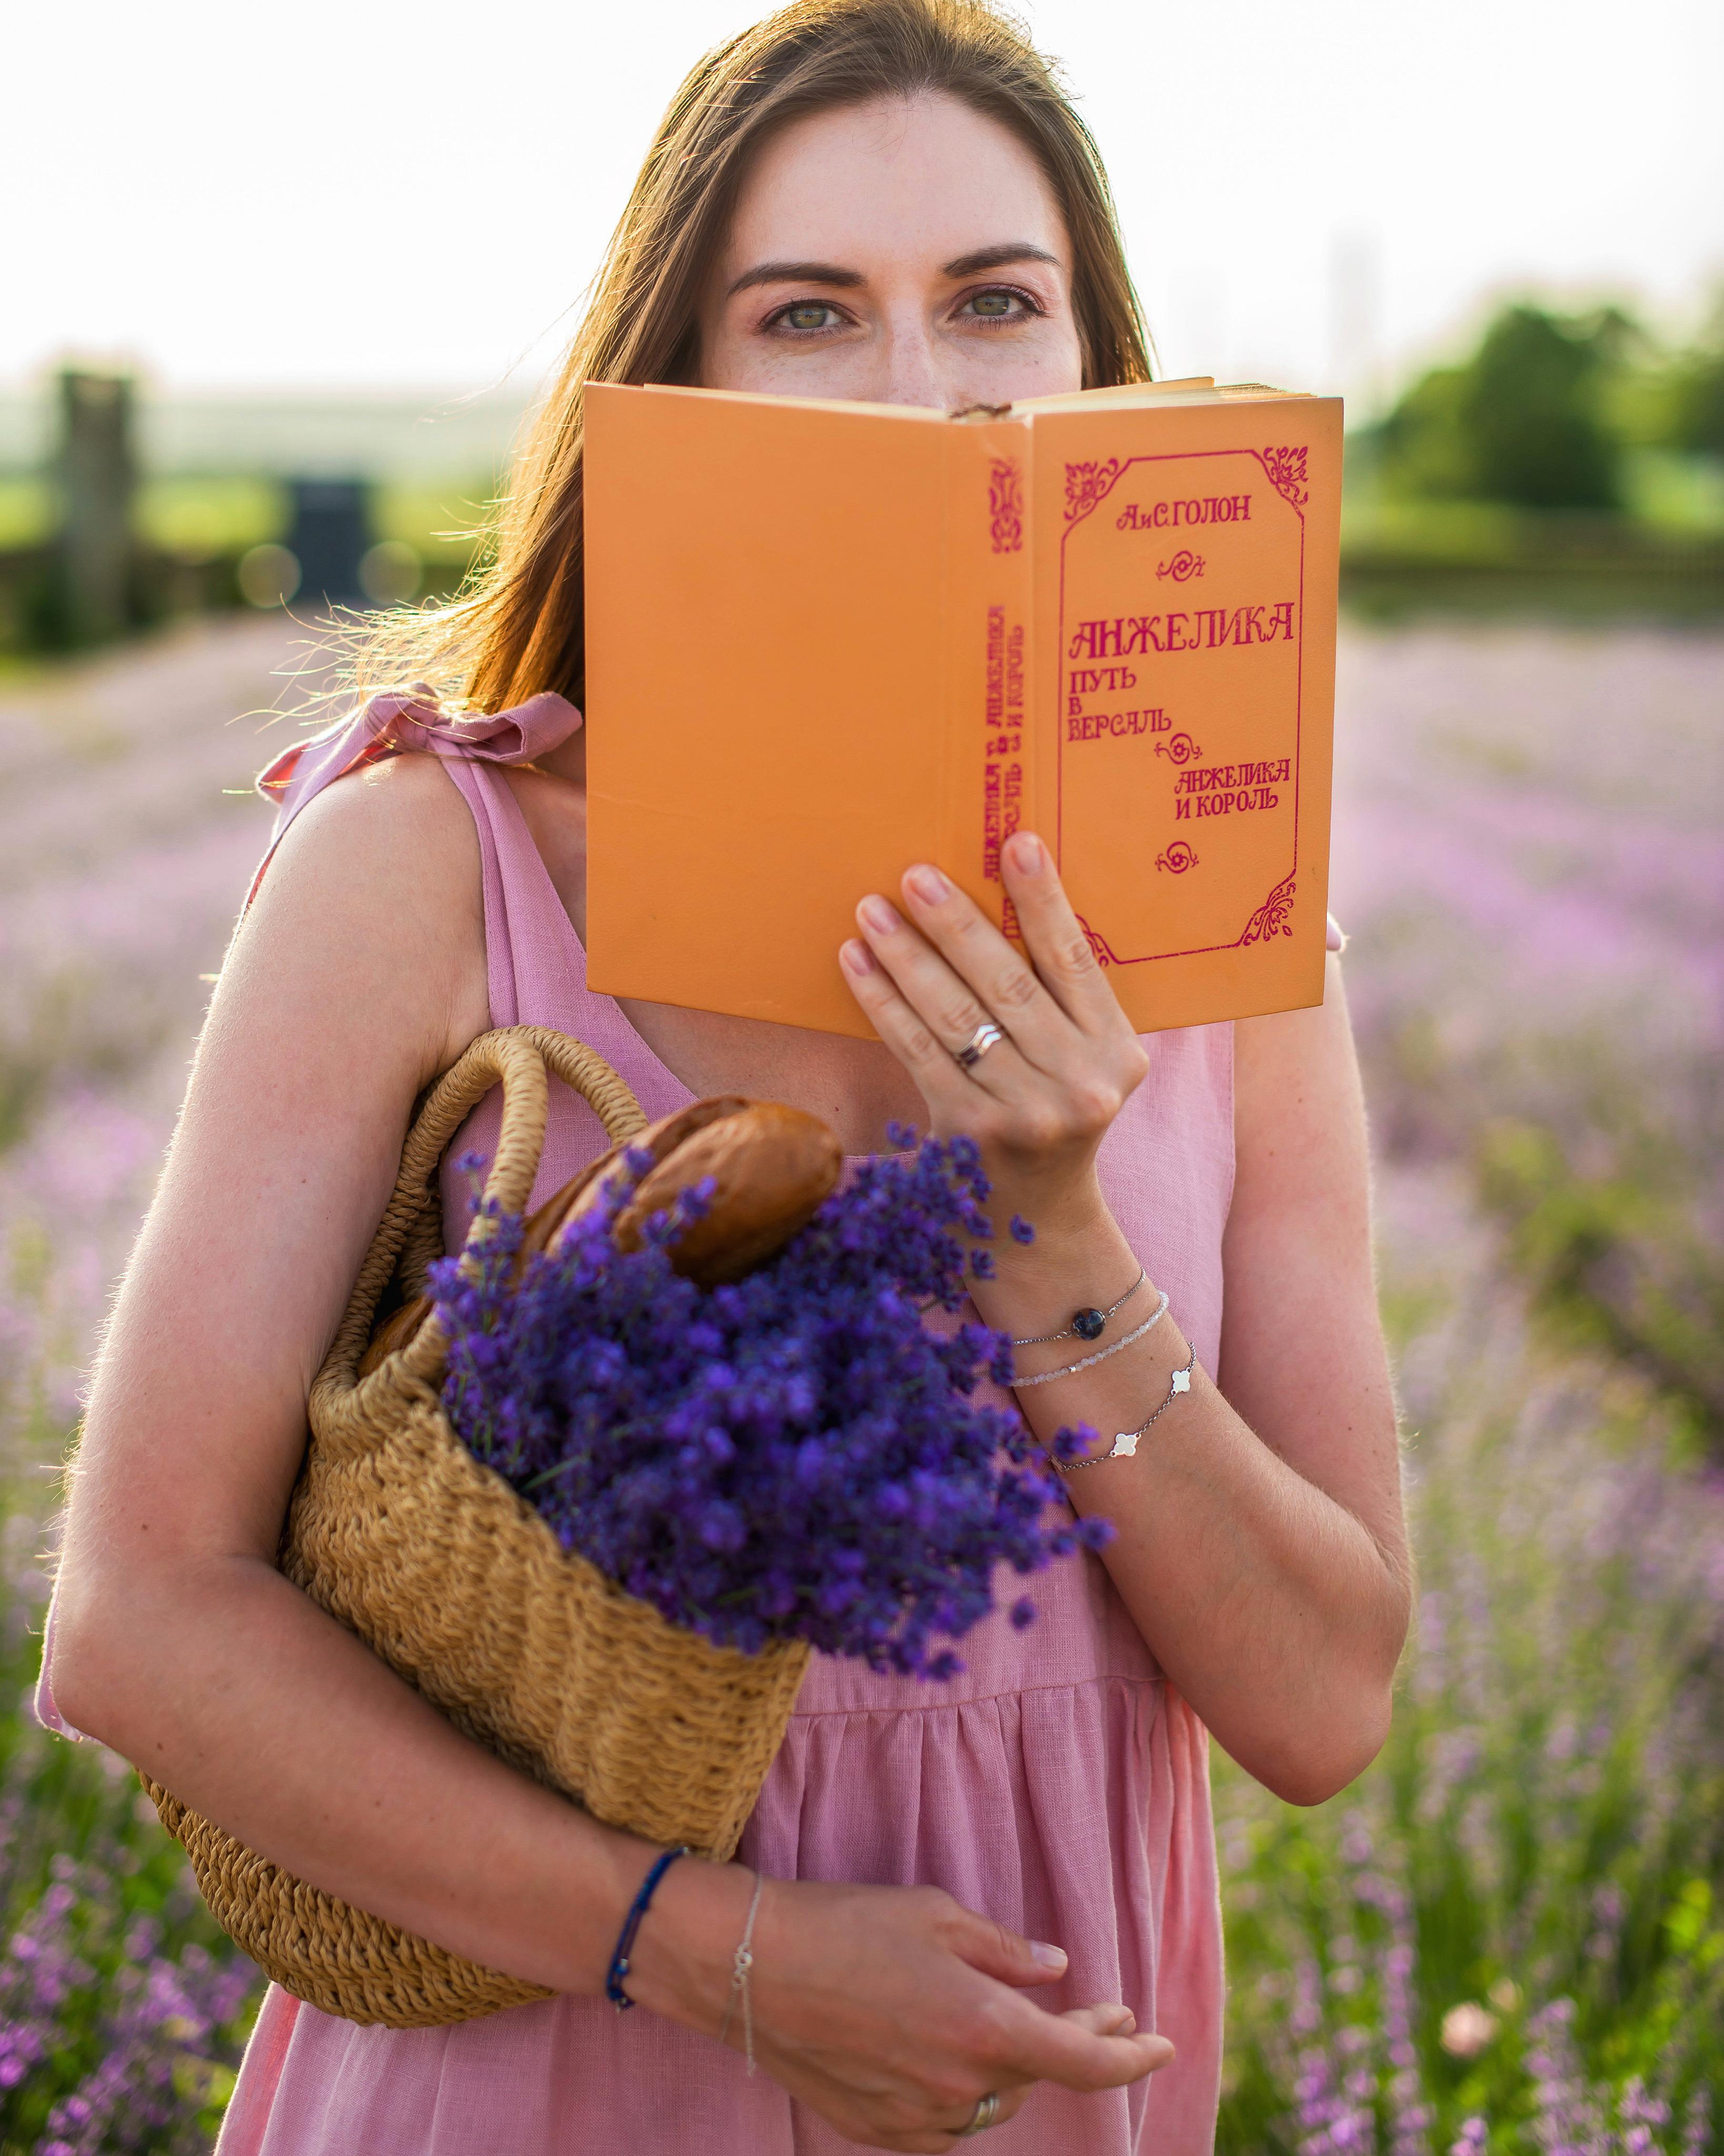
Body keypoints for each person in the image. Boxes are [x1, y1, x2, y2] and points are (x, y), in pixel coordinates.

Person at [44, 2, 1410, 2149]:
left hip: (1031, 2073)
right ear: (678, 386)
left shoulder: (1239, 946)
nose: (919, 388)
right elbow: (135, 1618)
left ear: (1095, 374)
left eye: (995, 300)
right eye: (806, 314)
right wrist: (729, 1954)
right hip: (536, 2054)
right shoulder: (425, 860)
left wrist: (1049, 1231)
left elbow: (1324, 1701)